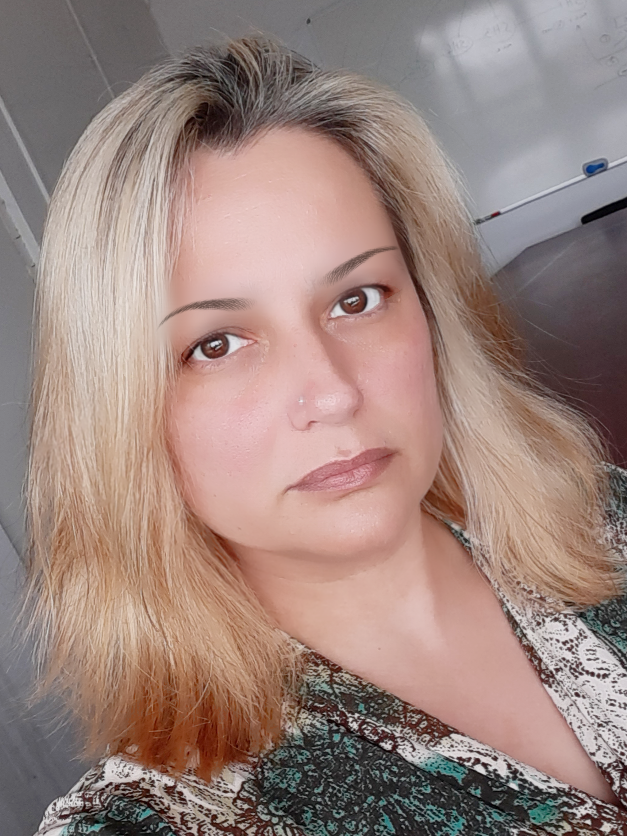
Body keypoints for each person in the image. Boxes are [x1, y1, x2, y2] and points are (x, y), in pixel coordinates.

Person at [28, 34, 627, 836]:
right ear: (118, 412)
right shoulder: (173, 814)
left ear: (429, 308)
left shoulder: (599, 517)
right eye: (216, 345)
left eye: (357, 299)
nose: (332, 394)